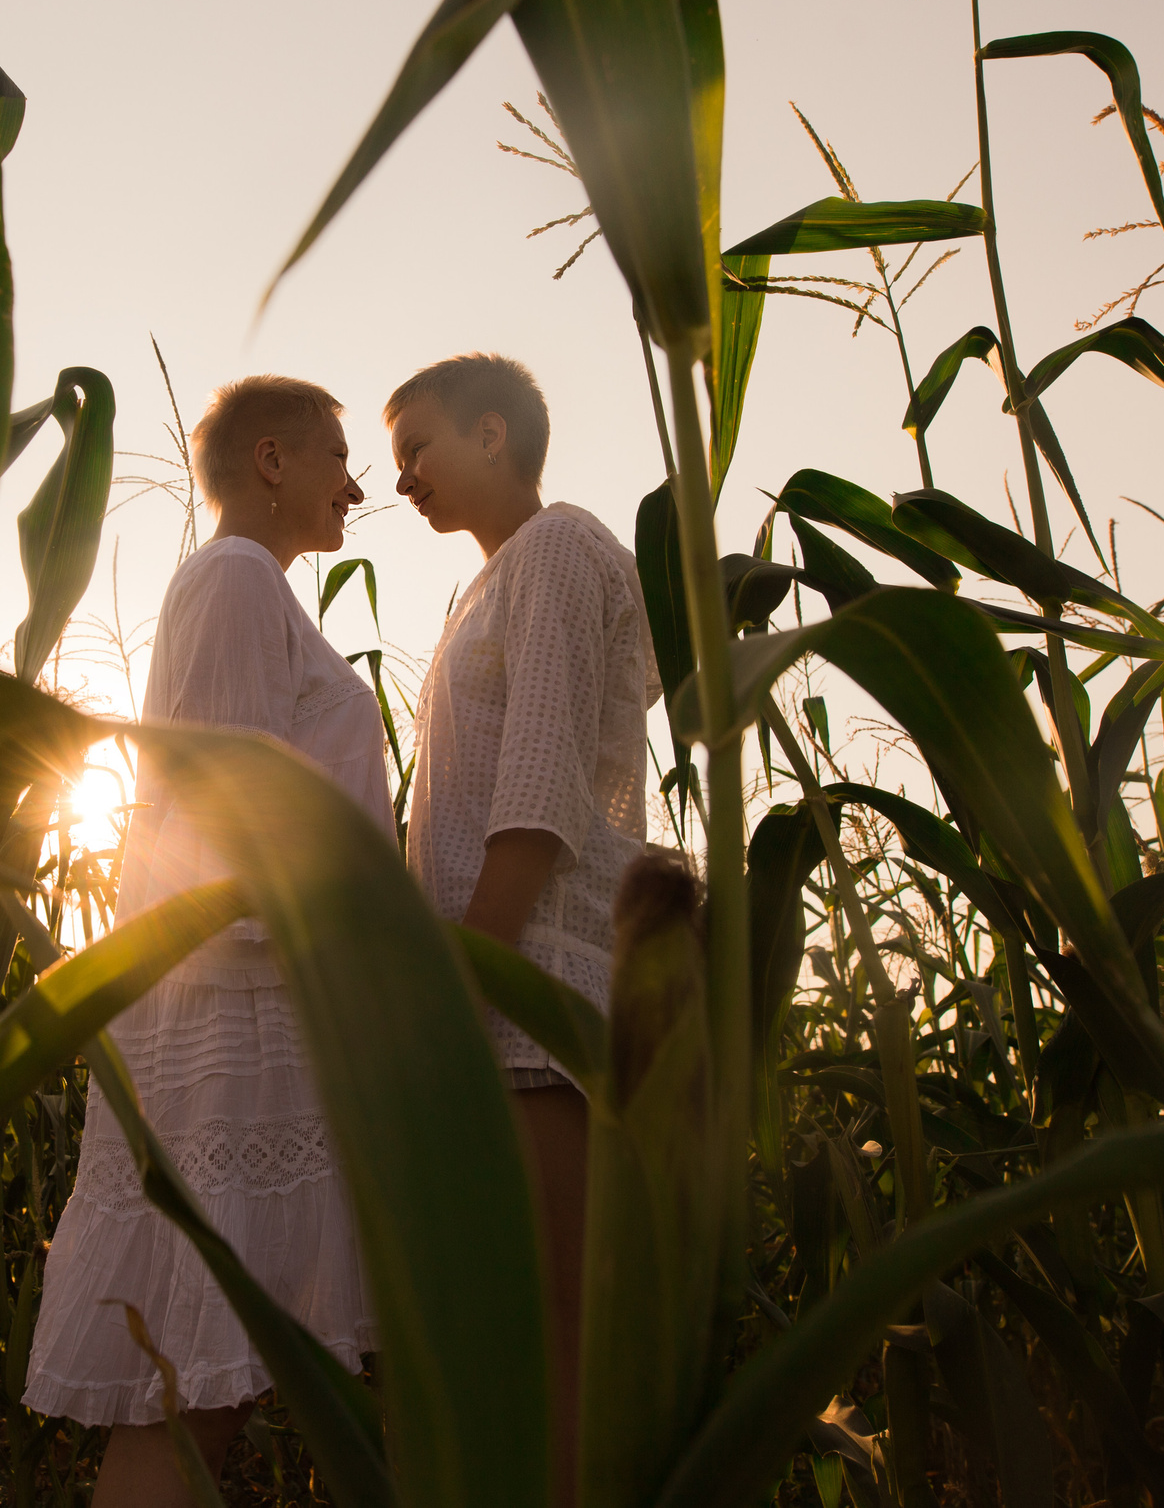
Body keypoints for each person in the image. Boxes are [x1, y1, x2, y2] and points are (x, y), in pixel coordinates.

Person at [24, 375, 386, 1505]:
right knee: (203, 1373)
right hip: (244, 1007)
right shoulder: (234, 579)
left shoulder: (245, 588)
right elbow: (236, 826)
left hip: (250, 997)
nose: (357, 483)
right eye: (336, 456)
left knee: (209, 1372)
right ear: (270, 461)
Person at [384, 351, 658, 1508]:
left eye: (416, 449)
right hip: (504, 986)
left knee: (556, 1318)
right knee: (510, 1320)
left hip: (535, 992)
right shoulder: (486, 588)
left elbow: (538, 793)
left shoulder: (558, 549)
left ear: (493, 434)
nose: (401, 479)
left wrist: (462, 981)